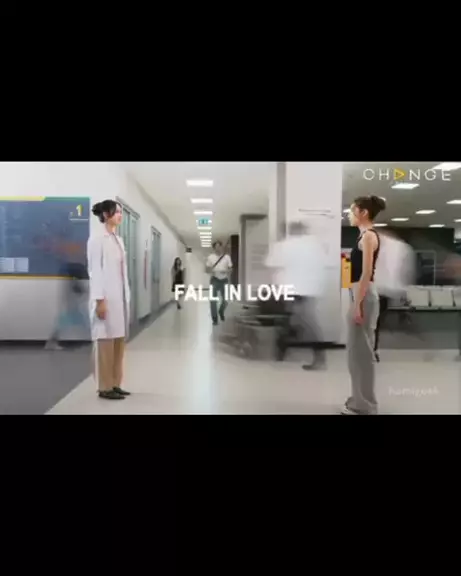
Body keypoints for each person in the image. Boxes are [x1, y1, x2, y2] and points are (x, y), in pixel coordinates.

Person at [342, 195, 385, 415]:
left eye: (352, 210)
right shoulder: (364, 235)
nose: (349, 215)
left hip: (364, 295)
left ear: (363, 212)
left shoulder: (368, 236)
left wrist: (358, 304)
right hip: (361, 293)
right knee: (356, 351)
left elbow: (366, 273)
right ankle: (358, 399)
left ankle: (366, 405)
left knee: (361, 354)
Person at [265, 221, 326, 368]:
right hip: (309, 289)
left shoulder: (284, 245)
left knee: (303, 322)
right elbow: (323, 264)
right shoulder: (315, 245)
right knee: (296, 320)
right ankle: (282, 350)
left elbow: (270, 263)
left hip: (292, 289)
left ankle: (320, 358)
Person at [87, 200, 131, 400]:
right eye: (117, 212)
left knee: (118, 342)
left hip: (119, 299)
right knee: (105, 342)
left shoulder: (117, 240)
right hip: (105, 298)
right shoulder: (97, 239)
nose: (120, 215)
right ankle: (104, 387)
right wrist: (99, 300)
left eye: (121, 212)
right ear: (106, 214)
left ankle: (115, 383)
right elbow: (95, 271)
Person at [45, 260, 90, 350]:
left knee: (82, 323)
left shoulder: (69, 280)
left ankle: (51, 343)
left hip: (72, 308)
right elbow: (79, 291)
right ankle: (51, 343)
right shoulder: (72, 281)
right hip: (71, 308)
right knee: (83, 324)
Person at [205, 241, 232, 326]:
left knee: (225, 300)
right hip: (214, 279)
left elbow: (231, 269)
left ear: (221, 247)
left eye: (219, 246)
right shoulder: (210, 257)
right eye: (216, 247)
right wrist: (211, 271)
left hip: (224, 280)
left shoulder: (227, 257)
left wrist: (226, 271)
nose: (218, 248)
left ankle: (221, 311)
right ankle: (215, 319)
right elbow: (206, 269)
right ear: (214, 248)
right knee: (213, 301)